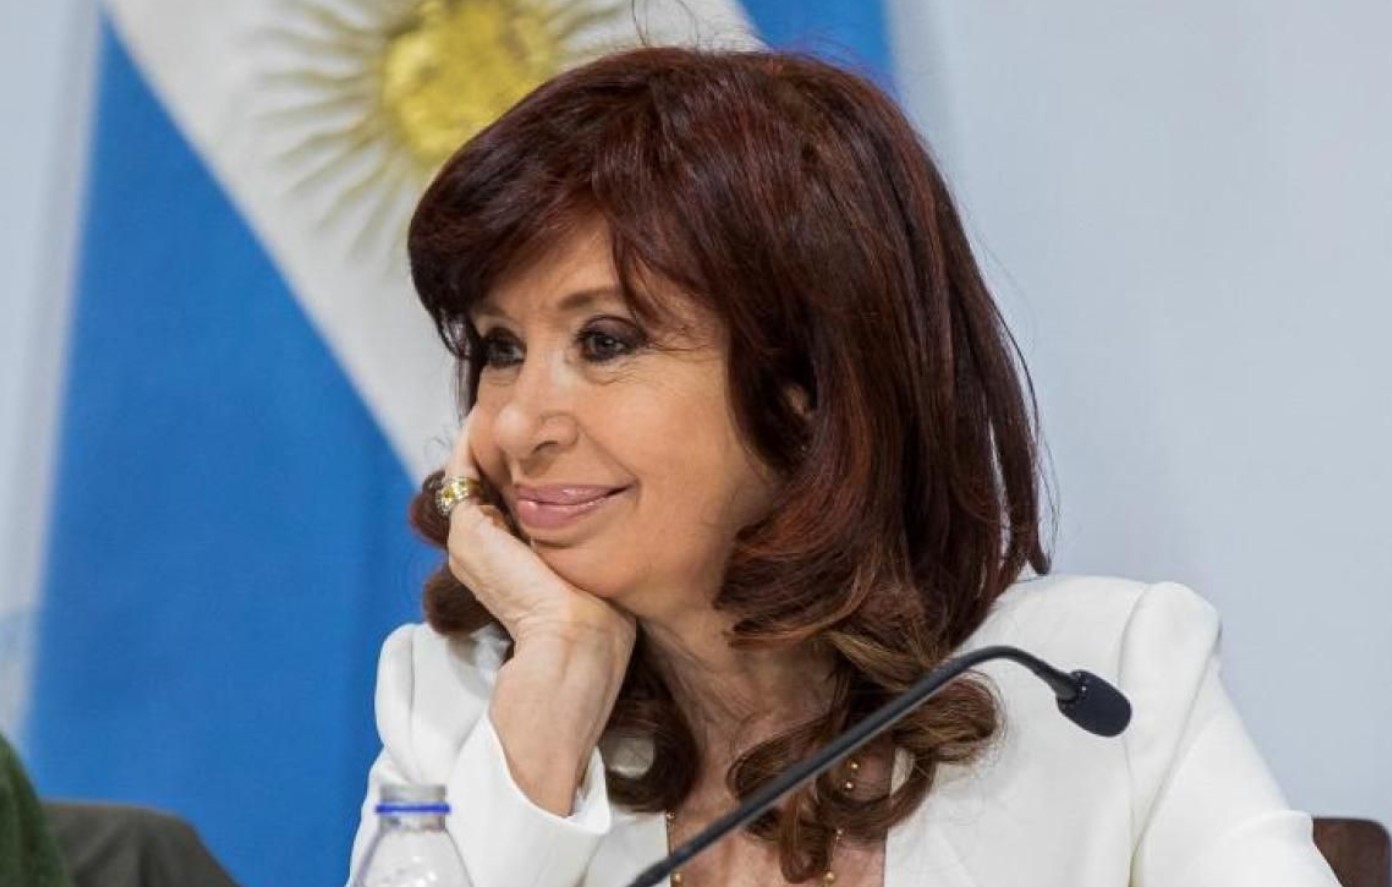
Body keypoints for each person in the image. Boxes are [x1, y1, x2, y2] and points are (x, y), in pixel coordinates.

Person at [349, 46, 1339, 887]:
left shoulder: (1100, 685)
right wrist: (557, 685)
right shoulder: (459, 707)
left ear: (808, 381)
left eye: (605, 341)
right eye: (500, 347)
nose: (517, 421)